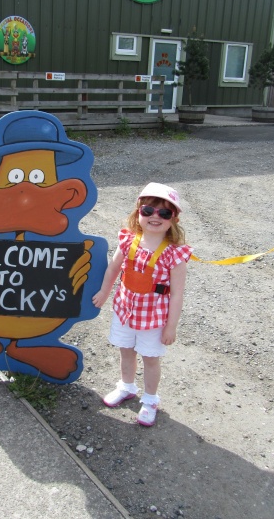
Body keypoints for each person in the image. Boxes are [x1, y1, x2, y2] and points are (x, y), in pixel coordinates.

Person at [92, 182, 193, 426]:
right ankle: (126, 386)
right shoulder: (128, 241)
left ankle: (150, 400)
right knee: (125, 351)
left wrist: (171, 327)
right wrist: (104, 292)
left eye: (164, 213)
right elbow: (113, 269)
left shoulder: (174, 254)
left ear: (174, 219)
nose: (155, 217)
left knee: (150, 358)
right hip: (125, 311)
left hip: (153, 319)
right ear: (139, 213)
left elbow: (177, 294)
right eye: (148, 210)